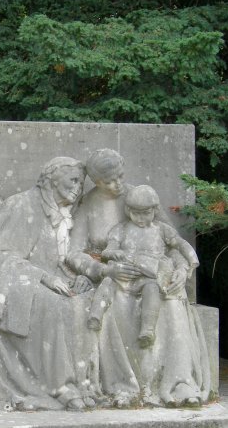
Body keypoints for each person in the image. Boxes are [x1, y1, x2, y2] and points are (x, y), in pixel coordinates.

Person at [67, 149, 210, 407]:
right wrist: (101, 270)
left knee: (170, 302)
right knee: (117, 305)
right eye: (108, 182)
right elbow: (73, 253)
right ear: (96, 182)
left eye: (120, 176)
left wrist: (180, 270)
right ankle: (124, 386)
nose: (117, 184)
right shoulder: (88, 205)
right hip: (113, 275)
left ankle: (179, 383)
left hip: (153, 276)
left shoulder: (140, 196)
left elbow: (171, 244)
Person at [0, 157, 102, 412]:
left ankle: (83, 383)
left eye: (81, 182)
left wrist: (79, 276)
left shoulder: (63, 215)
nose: (78, 187)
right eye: (73, 180)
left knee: (87, 304)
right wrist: (44, 277)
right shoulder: (22, 205)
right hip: (11, 279)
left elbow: (61, 258)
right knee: (53, 306)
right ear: (53, 179)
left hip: (49, 278)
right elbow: (3, 255)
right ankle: (61, 386)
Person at [87, 185, 199, 349]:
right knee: (107, 283)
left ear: (154, 210)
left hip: (149, 274)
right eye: (136, 213)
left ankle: (147, 329)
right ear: (127, 210)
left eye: (145, 213)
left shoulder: (161, 229)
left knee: (152, 289)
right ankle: (95, 315)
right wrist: (114, 253)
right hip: (126, 273)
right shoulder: (121, 229)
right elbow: (108, 251)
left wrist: (192, 259)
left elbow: (179, 244)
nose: (140, 218)